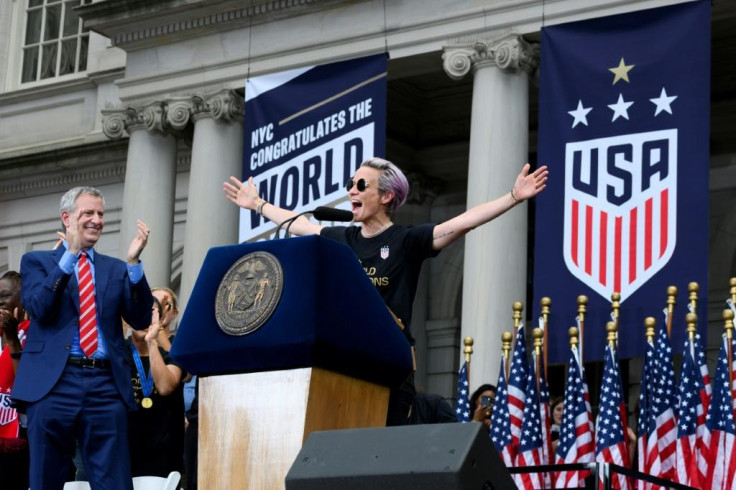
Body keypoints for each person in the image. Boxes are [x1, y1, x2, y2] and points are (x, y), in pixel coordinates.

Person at [224, 157, 548, 424]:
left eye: (361, 185)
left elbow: (463, 222)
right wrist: (258, 204)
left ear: (386, 197)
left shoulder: (406, 241)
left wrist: (513, 197)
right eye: (350, 183)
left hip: (389, 366)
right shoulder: (344, 239)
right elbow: (301, 225)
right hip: (346, 364)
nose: (352, 189)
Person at [13, 186, 154, 490]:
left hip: (105, 386)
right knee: (45, 479)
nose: (97, 220)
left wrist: (133, 264)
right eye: (88, 213)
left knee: (114, 482)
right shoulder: (37, 261)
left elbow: (141, 319)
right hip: (53, 384)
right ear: (67, 217)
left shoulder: (116, 268)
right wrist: (71, 256)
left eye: (101, 214)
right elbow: (39, 307)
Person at [127, 299, 187, 478]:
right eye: (138, 313)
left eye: (150, 314)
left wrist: (152, 342)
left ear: (160, 321)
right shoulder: (116, 352)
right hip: (123, 451)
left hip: (163, 454)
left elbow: (165, 386)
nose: (143, 319)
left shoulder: (172, 355)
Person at [0, 271, 29, 490]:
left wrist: (12, 339)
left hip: (21, 438)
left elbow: (26, 386)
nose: (0, 300)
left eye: (5, 295)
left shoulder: (34, 334)